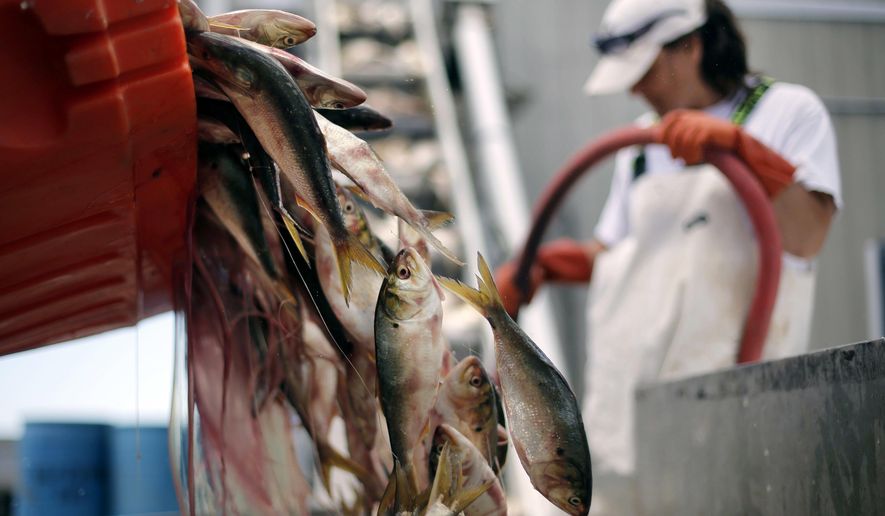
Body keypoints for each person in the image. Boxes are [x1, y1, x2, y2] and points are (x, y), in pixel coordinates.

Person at [495, 0, 841, 513]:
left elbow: (806, 236)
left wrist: (743, 150)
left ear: (690, 45)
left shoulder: (786, 112)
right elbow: (618, 258)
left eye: (645, 71)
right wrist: (541, 267)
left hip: (736, 406)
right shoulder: (641, 144)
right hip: (634, 417)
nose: (636, 89)